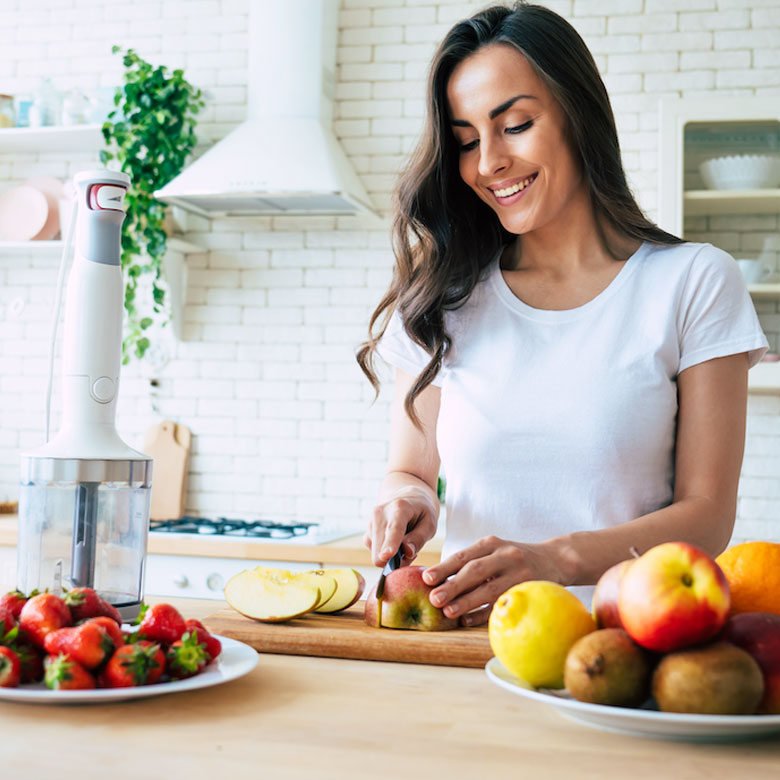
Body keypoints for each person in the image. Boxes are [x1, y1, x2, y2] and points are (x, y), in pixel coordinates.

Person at [356, 2, 768, 626]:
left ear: (578, 112)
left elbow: (707, 515)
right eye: (466, 141)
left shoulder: (692, 281)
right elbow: (409, 469)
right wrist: (406, 500)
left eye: (514, 124)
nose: (488, 162)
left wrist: (554, 559)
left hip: (622, 649)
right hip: (466, 650)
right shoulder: (445, 296)